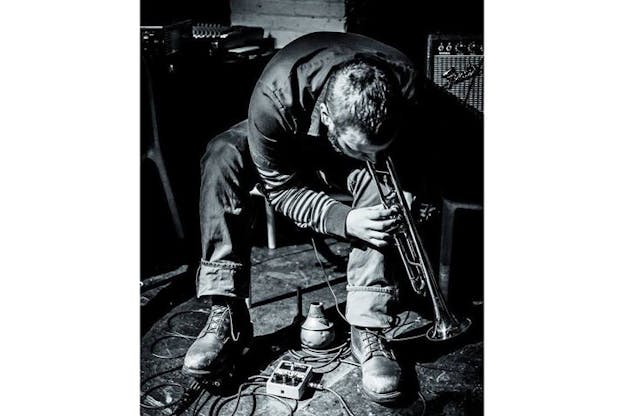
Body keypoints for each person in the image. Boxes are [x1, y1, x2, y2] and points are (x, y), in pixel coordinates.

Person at [183, 31, 421, 404]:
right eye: (361, 149)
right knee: (222, 154)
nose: (370, 158)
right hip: (289, 143)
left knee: (384, 183)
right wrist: (343, 219)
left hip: (353, 144)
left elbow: (404, 154)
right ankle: (226, 311)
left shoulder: (404, 82)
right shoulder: (272, 98)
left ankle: (367, 325)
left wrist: (405, 182)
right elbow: (280, 190)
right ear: (326, 115)